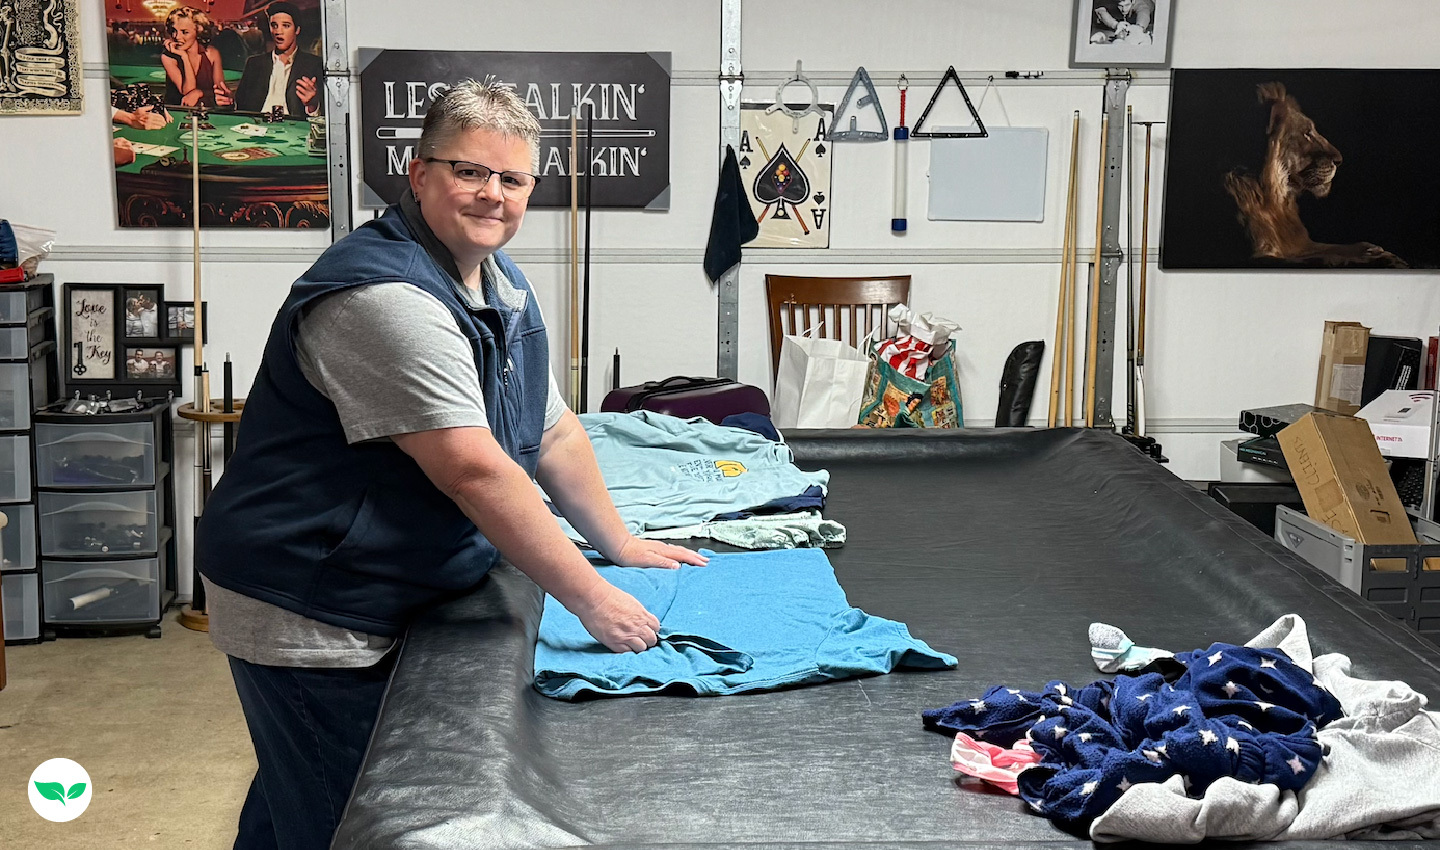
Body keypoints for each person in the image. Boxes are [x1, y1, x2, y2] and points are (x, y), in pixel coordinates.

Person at [194, 79, 706, 850]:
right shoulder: (383, 298)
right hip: (313, 599)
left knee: (293, 785)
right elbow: (475, 470)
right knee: (347, 813)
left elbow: (554, 431)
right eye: (469, 171)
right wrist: (594, 598)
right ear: (418, 171)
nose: (491, 194)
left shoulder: (504, 286)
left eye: (511, 179)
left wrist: (621, 544)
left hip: (383, 575)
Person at [223, 2, 323, 117]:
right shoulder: (254, 64)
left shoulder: (313, 64)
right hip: (257, 128)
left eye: (286, 25)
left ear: (297, 30)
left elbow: (324, 115)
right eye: (274, 25)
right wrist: (229, 102)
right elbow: (241, 106)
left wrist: (312, 105)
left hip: (293, 131)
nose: (278, 32)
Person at [160, 6, 228, 108]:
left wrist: (199, 93)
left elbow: (221, 92)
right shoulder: (168, 57)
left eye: (185, 32)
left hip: (205, 112)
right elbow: (187, 91)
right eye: (174, 31)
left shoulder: (212, 54)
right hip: (175, 113)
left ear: (198, 31)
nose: (177, 37)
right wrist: (184, 57)